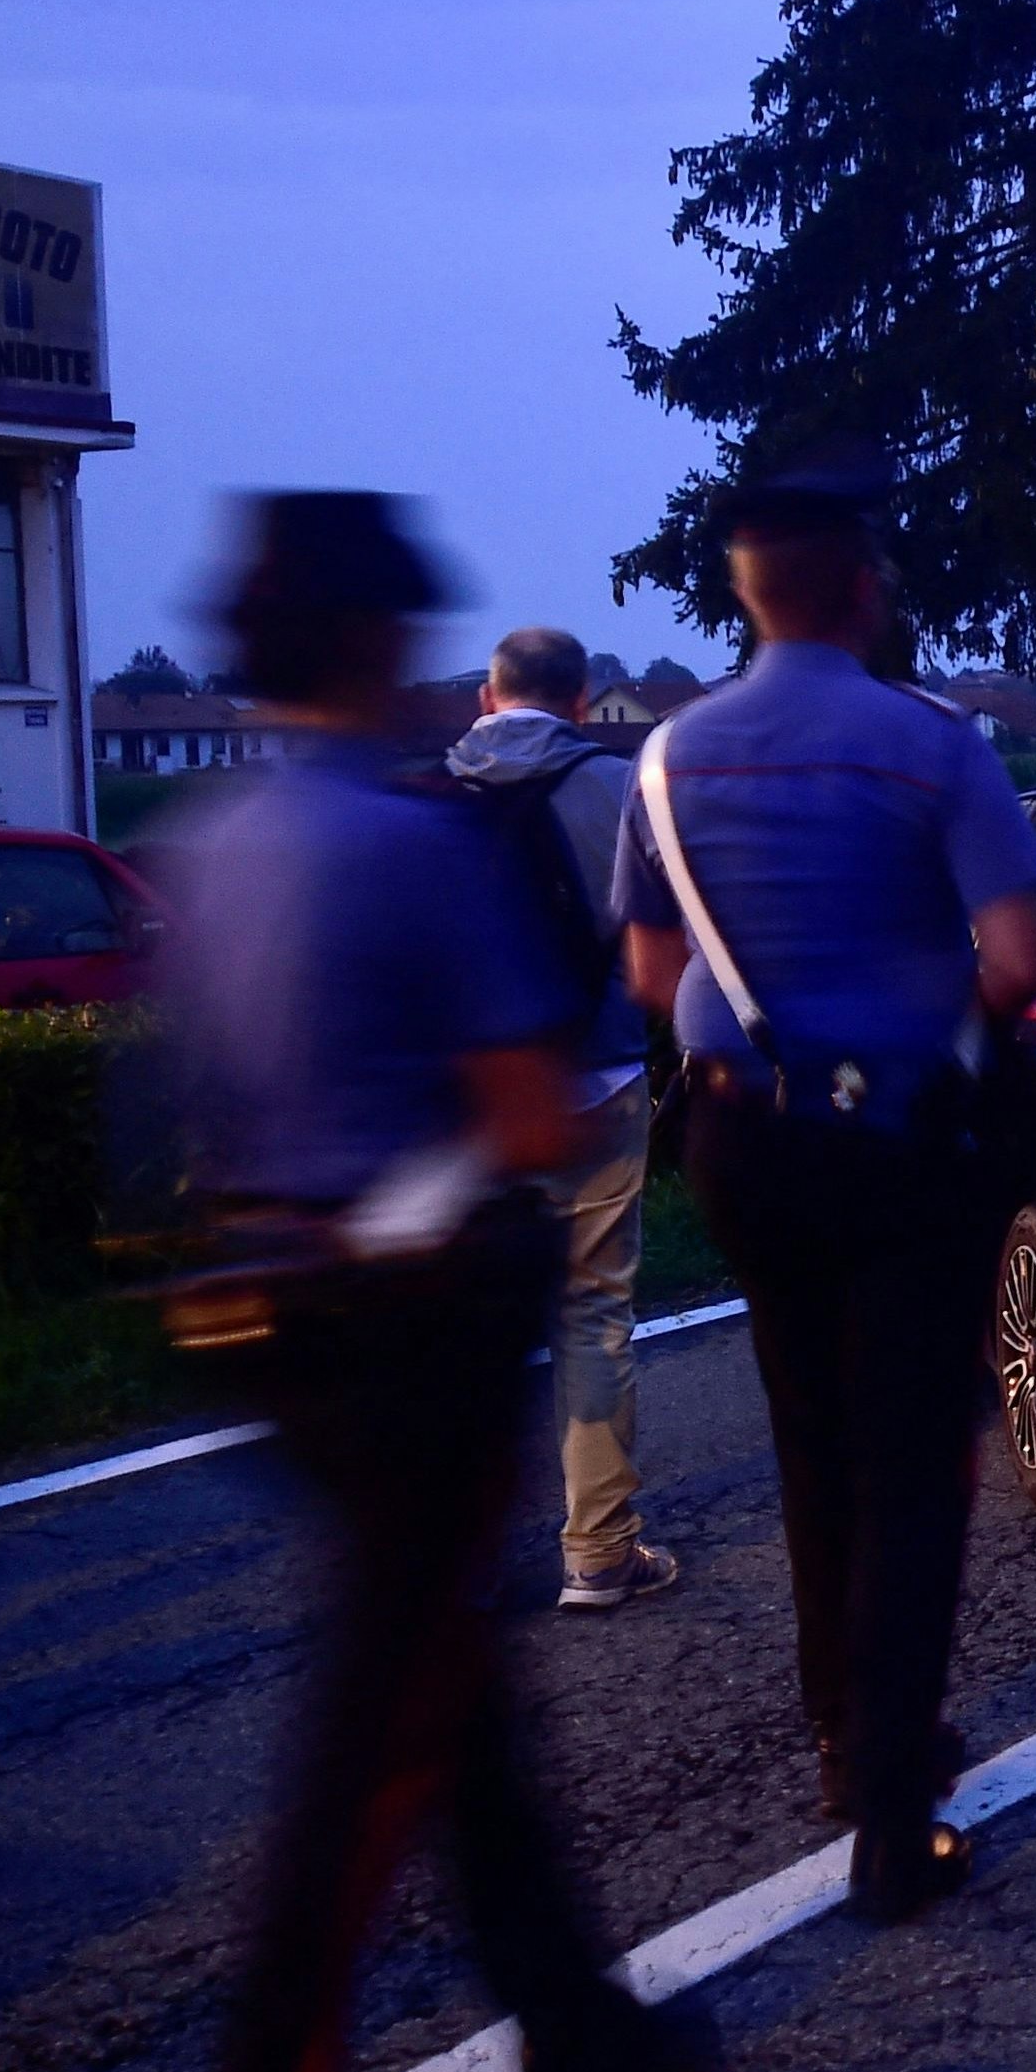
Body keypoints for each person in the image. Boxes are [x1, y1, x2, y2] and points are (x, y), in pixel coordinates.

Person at [165, 494, 703, 2072]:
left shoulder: (213, 843)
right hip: (415, 1324)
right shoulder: (410, 845)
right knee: (370, 1743)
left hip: (270, 1309)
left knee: (452, 1691)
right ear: (375, 649)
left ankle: (576, 2022)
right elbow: (530, 1113)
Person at [613, 443, 1036, 1923]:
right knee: (914, 1462)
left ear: (747, 597)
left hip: (745, 1139)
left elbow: (652, 974)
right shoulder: (934, 744)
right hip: (898, 1139)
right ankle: (890, 1812)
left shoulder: (668, 759)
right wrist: (919, 1030)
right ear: (865, 591)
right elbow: (1019, 963)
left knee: (810, 1439)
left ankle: (832, 1735)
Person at [445, 627, 675, 1615]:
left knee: (462, 1320)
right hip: (595, 1078)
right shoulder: (620, 789)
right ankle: (598, 1552)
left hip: (463, 1100)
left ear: (488, 698)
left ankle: (457, 1564)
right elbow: (660, 945)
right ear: (583, 703)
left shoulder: (432, 793)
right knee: (592, 1311)